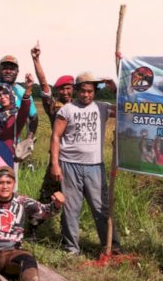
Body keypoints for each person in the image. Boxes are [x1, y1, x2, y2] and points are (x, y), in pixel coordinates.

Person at [50, 72, 122, 255]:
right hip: (69, 164)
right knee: (71, 208)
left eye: (90, 91)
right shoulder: (67, 110)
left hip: (95, 166)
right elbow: (56, 136)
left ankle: (111, 245)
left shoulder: (103, 108)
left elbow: (126, 107)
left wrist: (114, 88)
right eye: (82, 91)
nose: (86, 95)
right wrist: (55, 164)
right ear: (76, 90)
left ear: (94, 92)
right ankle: (71, 248)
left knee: (101, 207)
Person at [30, 42, 72, 204]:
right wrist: (36, 60)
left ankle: (66, 228)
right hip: (58, 160)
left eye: (68, 88)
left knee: (71, 198)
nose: (65, 92)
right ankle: (34, 226)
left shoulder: (80, 106)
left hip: (76, 161)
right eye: (62, 89)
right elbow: (43, 84)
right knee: (47, 196)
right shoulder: (55, 108)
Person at [0, 52, 39, 145]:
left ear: (17, 72)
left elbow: (33, 117)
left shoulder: (23, 93)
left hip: (9, 147)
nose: (8, 71)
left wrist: (27, 141)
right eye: (5, 68)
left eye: (12, 69)